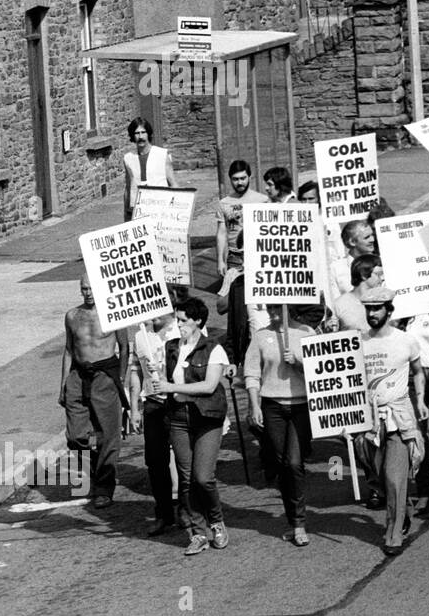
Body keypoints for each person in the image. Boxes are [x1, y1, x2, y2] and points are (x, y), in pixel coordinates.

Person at [153, 296, 230, 556]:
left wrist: (172, 387)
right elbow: (165, 380)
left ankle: (216, 521)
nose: (180, 325)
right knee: (186, 480)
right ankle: (198, 533)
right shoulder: (171, 347)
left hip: (206, 417)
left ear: (198, 321)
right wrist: (156, 377)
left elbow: (209, 386)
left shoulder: (213, 348)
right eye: (177, 319)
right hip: (178, 418)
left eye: (184, 320)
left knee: (203, 477)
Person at [358, 287, 427, 556]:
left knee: (394, 477)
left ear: (389, 310)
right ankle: (403, 510)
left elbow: (419, 372)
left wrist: (420, 401)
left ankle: (393, 533)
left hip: (398, 416)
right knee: (378, 475)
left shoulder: (406, 341)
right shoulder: (358, 341)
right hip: (369, 420)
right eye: (368, 308)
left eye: (376, 308)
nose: (371, 313)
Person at [244, 304, 314, 547]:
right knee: (281, 463)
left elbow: (319, 373)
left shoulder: (306, 333)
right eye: (270, 311)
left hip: (300, 406)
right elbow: (252, 374)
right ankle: (292, 519)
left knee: (294, 462)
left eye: (278, 310)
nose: (273, 315)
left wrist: (297, 362)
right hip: (272, 405)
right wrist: (254, 406)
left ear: (289, 309)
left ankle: (299, 523)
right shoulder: (261, 336)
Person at [61, 276, 130, 509]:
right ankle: (96, 470)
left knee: (109, 435)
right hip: (78, 375)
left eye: (91, 288)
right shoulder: (72, 315)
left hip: (104, 375)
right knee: (75, 437)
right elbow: (69, 350)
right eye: (83, 288)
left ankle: (103, 487)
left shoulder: (113, 313)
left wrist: (120, 378)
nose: (87, 293)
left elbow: (124, 346)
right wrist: (64, 384)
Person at [127, 308, 180, 534]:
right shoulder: (140, 335)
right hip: (153, 404)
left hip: (179, 402)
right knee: (155, 462)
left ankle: (189, 511)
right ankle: (164, 514)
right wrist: (134, 409)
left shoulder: (182, 330)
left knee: (184, 460)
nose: (154, 315)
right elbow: (135, 372)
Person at [215, 160, 266, 275]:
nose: (239, 183)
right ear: (230, 179)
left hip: (258, 253)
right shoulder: (224, 203)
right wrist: (220, 261)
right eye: (235, 179)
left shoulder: (262, 200)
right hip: (235, 256)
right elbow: (221, 233)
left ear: (249, 177)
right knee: (236, 290)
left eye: (243, 178)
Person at [122, 117, 178, 221]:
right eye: (137, 133)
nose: (140, 136)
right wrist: (126, 214)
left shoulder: (161, 155)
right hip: (138, 210)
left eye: (143, 132)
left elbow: (173, 184)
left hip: (160, 208)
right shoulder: (128, 158)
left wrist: (177, 210)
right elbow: (128, 187)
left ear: (148, 134)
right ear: (132, 136)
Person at [329, 219, 378, 307]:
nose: (372, 239)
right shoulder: (335, 269)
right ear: (352, 242)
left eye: (372, 235)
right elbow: (334, 305)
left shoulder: (381, 263)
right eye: (367, 237)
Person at [333, 254, 383, 333]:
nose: (382, 278)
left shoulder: (386, 303)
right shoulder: (338, 305)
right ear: (363, 275)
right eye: (378, 274)